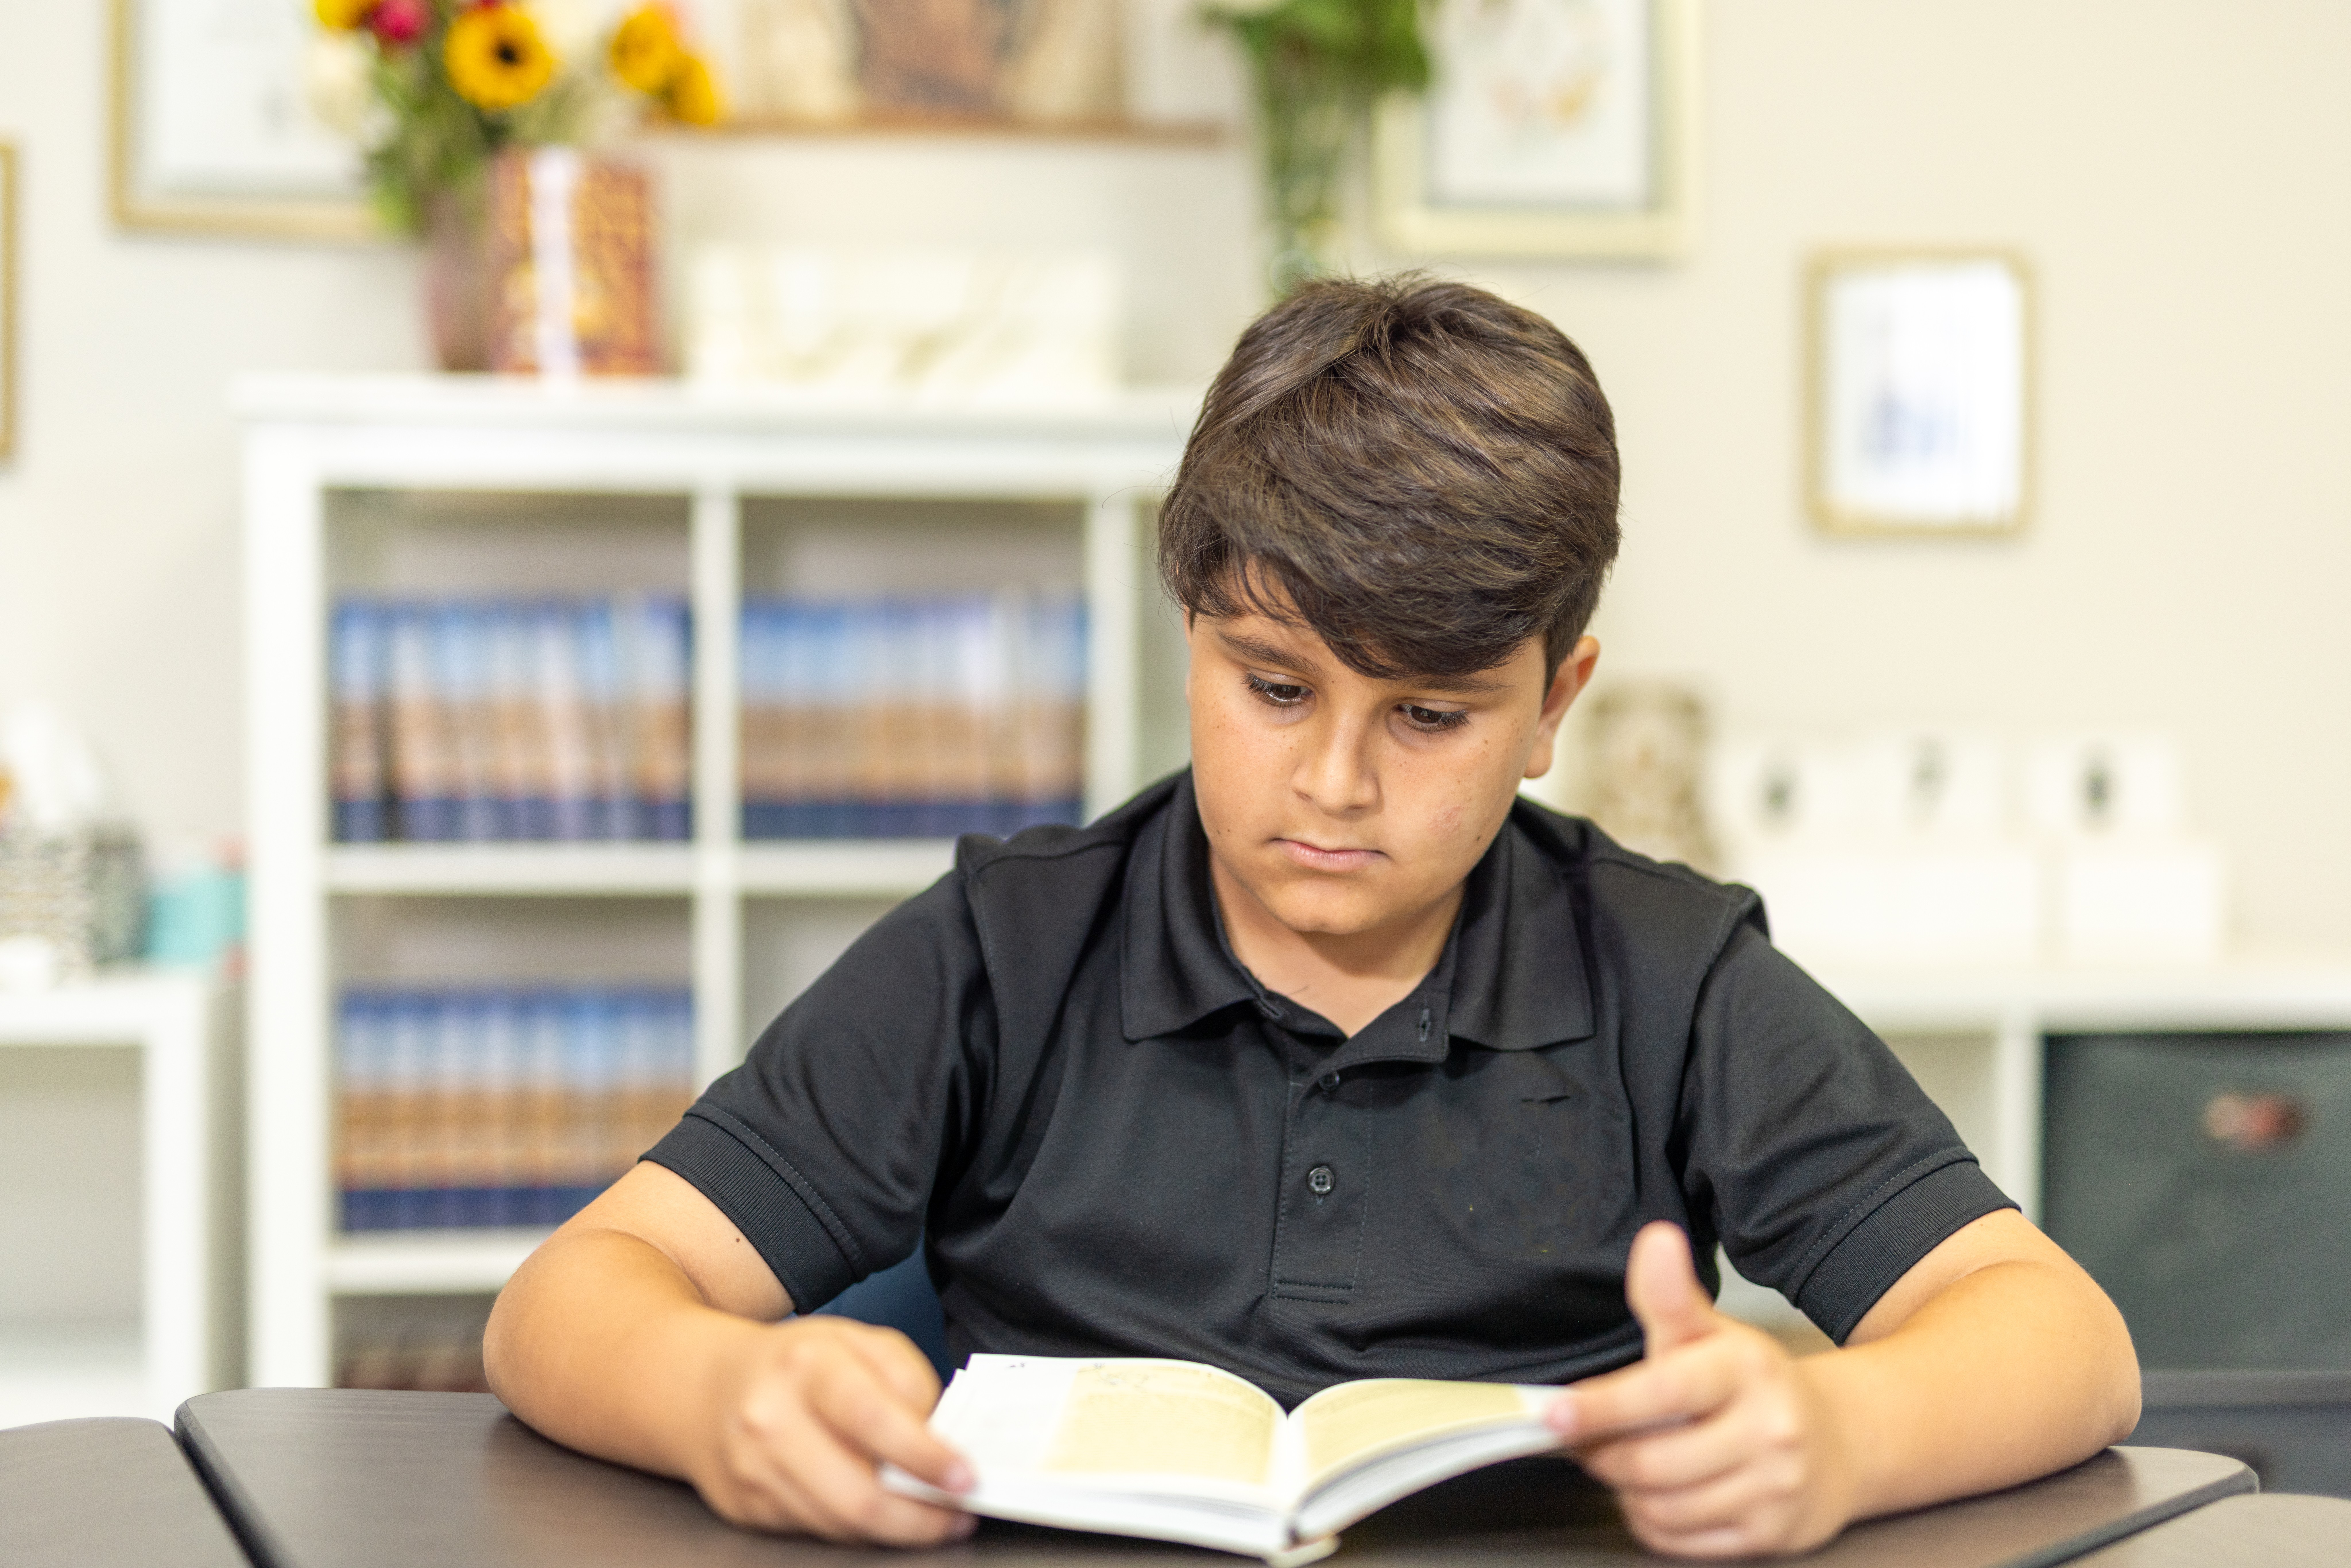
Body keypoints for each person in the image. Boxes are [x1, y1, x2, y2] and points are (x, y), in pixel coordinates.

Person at [484, 276, 2139, 1559]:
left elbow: (2063, 1340)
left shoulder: (1669, 974)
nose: (1335, 780)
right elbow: (572, 1294)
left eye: (1428, 718)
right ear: (1188, 628)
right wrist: (721, 1395)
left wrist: (1836, 1431)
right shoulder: (1009, 947)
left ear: (1556, 703)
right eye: (1273, 687)